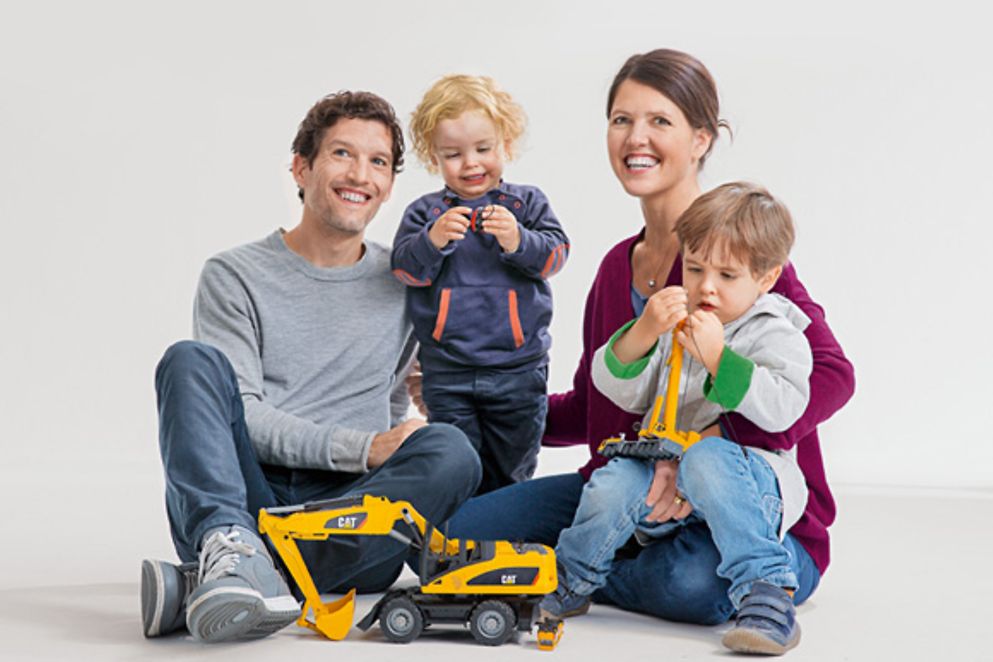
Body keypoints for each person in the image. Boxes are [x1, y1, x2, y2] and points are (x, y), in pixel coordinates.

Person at [447, 49, 855, 653]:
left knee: (691, 584)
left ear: (701, 139)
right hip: (630, 477)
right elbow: (596, 399)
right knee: (463, 531)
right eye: (621, 120)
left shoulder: (741, 261)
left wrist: (710, 447)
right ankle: (587, 565)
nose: (636, 138)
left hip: (735, 493)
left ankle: (581, 573)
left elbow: (832, 377)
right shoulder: (617, 267)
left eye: (659, 121)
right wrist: (483, 404)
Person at [140, 91, 481, 644]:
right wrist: (364, 446)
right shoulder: (234, 275)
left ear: (390, 185)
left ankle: (233, 577)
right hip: (249, 497)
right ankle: (232, 548)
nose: (360, 175)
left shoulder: (408, 280)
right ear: (301, 168)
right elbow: (245, 415)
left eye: (377, 163)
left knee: (450, 449)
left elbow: (437, 386)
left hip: (352, 513)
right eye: (343, 154)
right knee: (189, 361)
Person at [541, 182, 813, 655]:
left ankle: (767, 592)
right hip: (665, 469)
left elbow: (785, 409)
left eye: (727, 275)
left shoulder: (778, 331)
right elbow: (618, 388)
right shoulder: (677, 322)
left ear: (767, 278)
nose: (706, 286)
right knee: (613, 482)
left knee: (708, 458)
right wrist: (645, 331)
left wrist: (719, 360)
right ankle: (572, 580)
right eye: (694, 268)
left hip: (745, 484)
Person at [391, 75, 569, 494]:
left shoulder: (526, 205)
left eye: (483, 149)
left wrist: (518, 240)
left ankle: (505, 547)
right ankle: (458, 551)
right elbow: (404, 270)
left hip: (518, 372)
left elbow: (556, 256)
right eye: (453, 154)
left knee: (512, 470)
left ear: (505, 145)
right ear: (434, 158)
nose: (470, 163)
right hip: (448, 374)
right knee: (456, 471)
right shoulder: (425, 213)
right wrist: (432, 242)